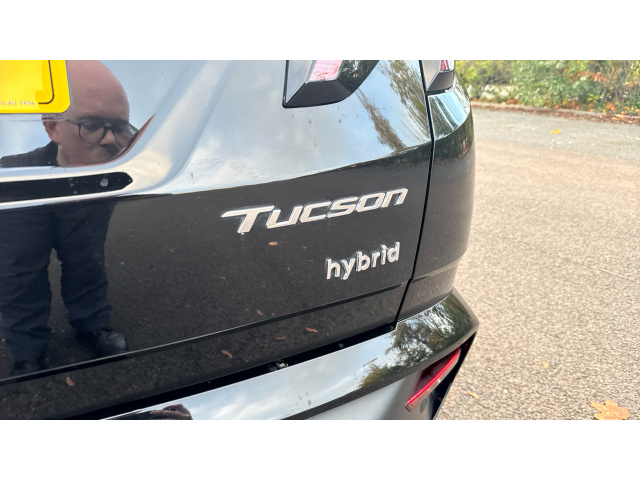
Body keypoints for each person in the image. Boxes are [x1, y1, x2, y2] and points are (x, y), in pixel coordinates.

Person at [0, 61, 135, 376]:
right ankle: (27, 350)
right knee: (19, 271)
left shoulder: (105, 168)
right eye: (92, 124)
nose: (109, 139)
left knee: (87, 258)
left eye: (120, 127)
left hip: (90, 183)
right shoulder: (11, 170)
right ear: (51, 127)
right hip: (21, 186)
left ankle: (92, 323)